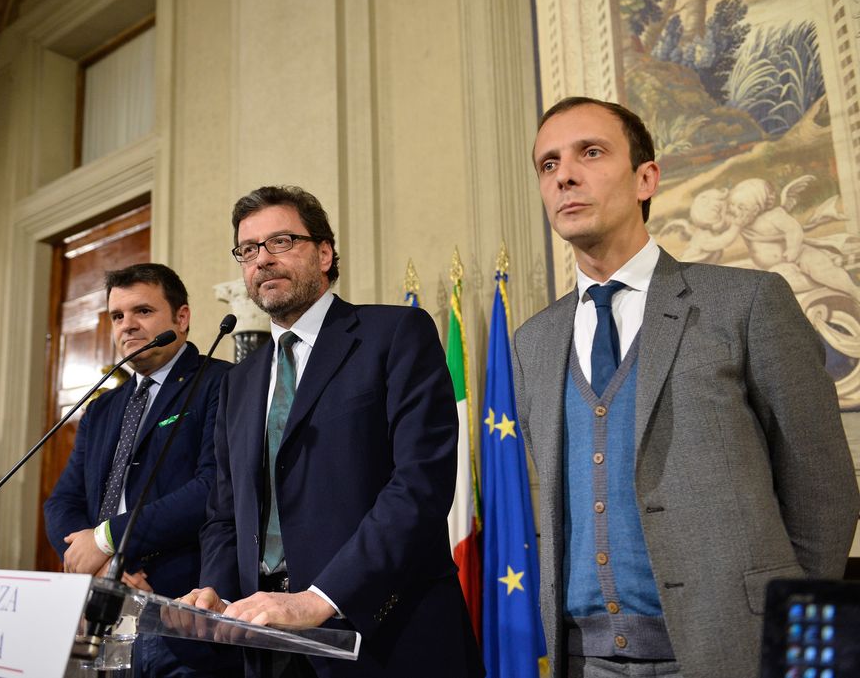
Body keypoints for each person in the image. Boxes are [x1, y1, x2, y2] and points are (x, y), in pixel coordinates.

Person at [514, 96, 860, 678]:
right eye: (548, 165)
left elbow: (824, 488)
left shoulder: (746, 302)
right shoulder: (532, 343)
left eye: (590, 153)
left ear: (646, 177)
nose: (564, 174)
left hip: (735, 650)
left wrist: (782, 626)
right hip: (585, 659)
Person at [183, 185, 483, 678]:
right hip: (268, 642)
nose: (263, 260)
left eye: (280, 241)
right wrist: (216, 587)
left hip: (382, 637)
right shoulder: (237, 382)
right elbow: (223, 512)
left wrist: (321, 598)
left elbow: (419, 486)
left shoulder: (395, 335)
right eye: (249, 249)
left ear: (324, 253)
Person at [44, 263, 239, 677]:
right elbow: (63, 501)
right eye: (117, 316)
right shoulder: (101, 409)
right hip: (105, 607)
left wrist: (107, 537)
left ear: (181, 318)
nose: (127, 326)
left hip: (181, 612)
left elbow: (213, 487)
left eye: (143, 312)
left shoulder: (222, 383)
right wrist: (97, 562)